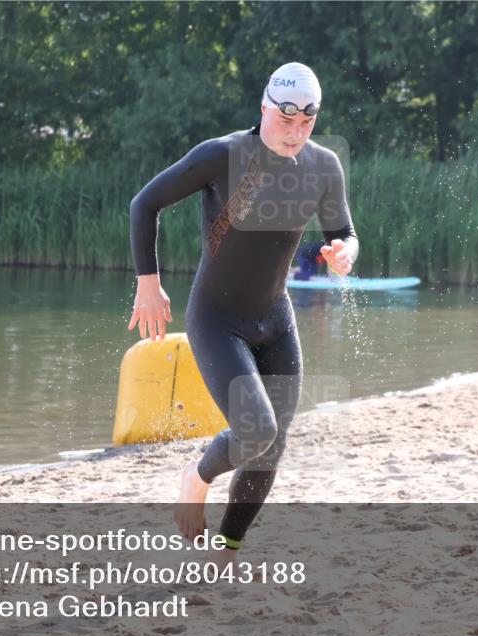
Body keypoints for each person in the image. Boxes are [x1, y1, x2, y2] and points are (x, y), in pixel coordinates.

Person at [127, 62, 359, 569]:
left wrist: (344, 252)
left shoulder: (323, 167)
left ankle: (226, 550)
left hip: (275, 321)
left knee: (271, 445)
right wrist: (148, 283)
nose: (295, 133)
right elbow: (144, 204)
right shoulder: (222, 156)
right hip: (218, 320)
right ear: (264, 108)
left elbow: (343, 231)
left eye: (306, 123)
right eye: (286, 120)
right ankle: (197, 477)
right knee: (257, 432)